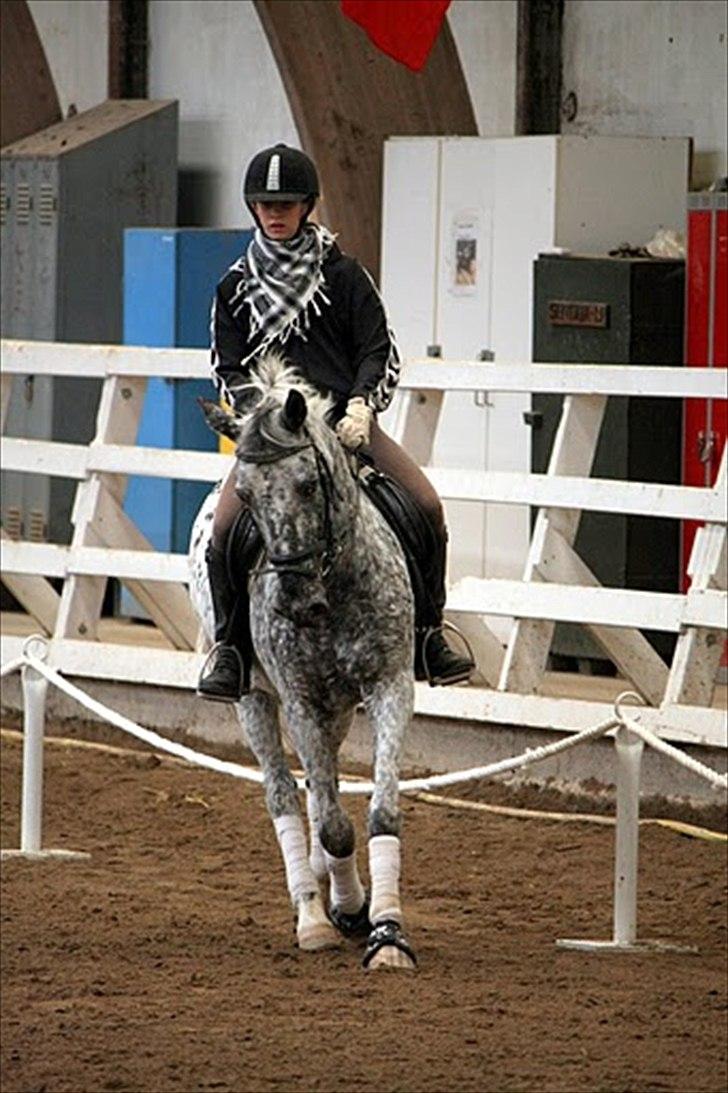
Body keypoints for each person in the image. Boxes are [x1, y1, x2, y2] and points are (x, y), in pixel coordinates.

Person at [198, 142, 474, 702]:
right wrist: (267, 420)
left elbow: (378, 350)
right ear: (254, 209)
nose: (276, 213)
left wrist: (361, 405)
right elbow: (227, 367)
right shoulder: (233, 288)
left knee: (426, 506)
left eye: (287, 203)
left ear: (307, 206)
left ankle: (429, 635)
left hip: (349, 426)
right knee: (223, 532)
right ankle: (229, 649)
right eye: (266, 204)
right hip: (278, 442)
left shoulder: (345, 277)